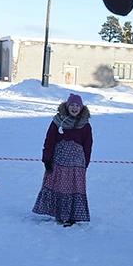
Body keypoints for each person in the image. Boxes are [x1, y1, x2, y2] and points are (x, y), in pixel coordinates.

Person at [33, 93, 93, 226]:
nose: (74, 108)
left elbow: (88, 146)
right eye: (72, 105)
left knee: (74, 189)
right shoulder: (57, 121)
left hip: (76, 164)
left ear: (81, 108)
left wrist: (85, 165)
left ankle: (72, 215)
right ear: (67, 106)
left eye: (77, 105)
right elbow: (49, 140)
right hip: (58, 161)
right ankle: (59, 213)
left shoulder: (85, 125)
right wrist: (47, 159)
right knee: (59, 187)